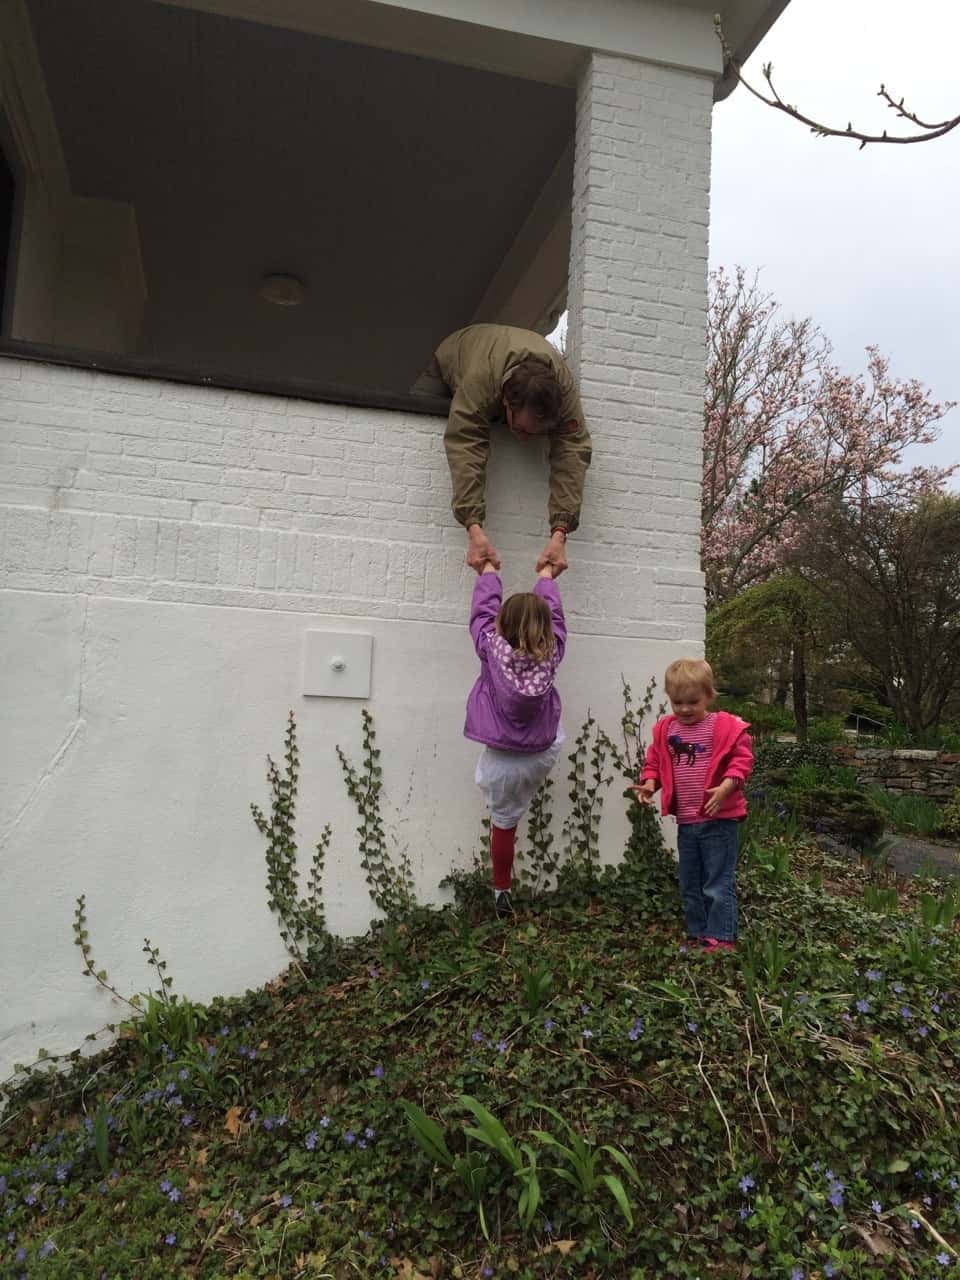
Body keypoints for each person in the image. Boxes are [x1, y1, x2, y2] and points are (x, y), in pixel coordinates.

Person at [431, 324, 592, 578]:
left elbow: (572, 452)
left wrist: (560, 533)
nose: (526, 440)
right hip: (451, 358)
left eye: (536, 433)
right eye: (521, 429)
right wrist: (473, 526)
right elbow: (466, 443)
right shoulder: (481, 380)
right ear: (506, 402)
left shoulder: (563, 390)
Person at [465, 558, 567, 918]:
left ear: (501, 624)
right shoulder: (553, 652)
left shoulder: (489, 648)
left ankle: (501, 889)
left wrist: (488, 574)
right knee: (513, 810)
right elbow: (555, 618)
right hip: (541, 749)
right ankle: (503, 889)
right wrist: (546, 578)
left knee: (504, 823)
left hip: (502, 755)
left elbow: (481, 615)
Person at [631, 659, 753, 952]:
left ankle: (721, 937)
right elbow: (656, 763)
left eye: (693, 702)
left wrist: (726, 787)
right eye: (677, 703)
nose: (684, 709)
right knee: (690, 881)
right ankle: (698, 932)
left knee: (717, 881)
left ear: (709, 696)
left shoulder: (723, 726)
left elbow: (743, 759)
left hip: (719, 819)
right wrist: (650, 783)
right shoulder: (666, 730)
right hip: (687, 822)